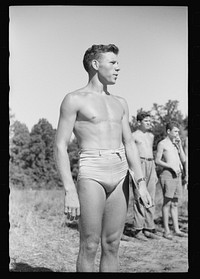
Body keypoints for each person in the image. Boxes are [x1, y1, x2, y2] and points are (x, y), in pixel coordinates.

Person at [54, 44, 152, 272]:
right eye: (113, 62)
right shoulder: (74, 99)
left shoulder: (121, 102)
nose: (118, 67)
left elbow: (129, 144)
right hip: (92, 171)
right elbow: (59, 146)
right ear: (95, 65)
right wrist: (69, 190)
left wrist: (141, 183)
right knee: (89, 244)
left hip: (120, 172)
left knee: (112, 244)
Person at [155, 121, 187, 240]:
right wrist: (170, 166)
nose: (177, 133)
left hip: (178, 176)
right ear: (168, 132)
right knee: (167, 203)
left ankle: (177, 229)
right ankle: (166, 231)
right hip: (168, 174)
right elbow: (157, 160)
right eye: (175, 131)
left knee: (175, 203)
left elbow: (183, 160)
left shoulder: (176, 144)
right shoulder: (162, 144)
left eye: (178, 131)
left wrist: (179, 147)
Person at [130, 112, 159, 240]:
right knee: (140, 196)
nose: (149, 123)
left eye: (150, 121)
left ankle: (149, 227)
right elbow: (130, 153)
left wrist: (155, 171)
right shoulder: (133, 136)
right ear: (139, 122)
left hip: (150, 164)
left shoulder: (151, 136)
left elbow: (151, 153)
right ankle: (138, 229)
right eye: (146, 121)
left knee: (150, 197)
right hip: (139, 164)